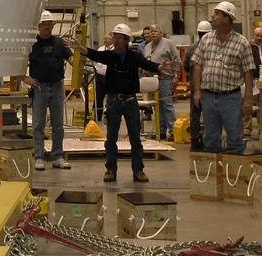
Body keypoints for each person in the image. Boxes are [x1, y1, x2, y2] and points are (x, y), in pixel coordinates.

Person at [66, 24, 160, 182]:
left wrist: (160, 67)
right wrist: (80, 48)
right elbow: (94, 54)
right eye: (114, 36)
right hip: (114, 102)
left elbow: (147, 65)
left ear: (126, 40)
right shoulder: (109, 56)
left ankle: (138, 170)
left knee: (135, 137)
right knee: (111, 138)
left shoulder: (134, 56)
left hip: (130, 102)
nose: (115, 40)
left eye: (118, 37)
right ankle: (110, 169)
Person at [190, 2, 255, 154]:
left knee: (234, 136)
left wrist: (248, 99)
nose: (213, 16)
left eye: (217, 14)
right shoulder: (206, 40)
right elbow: (198, 65)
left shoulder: (242, 42)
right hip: (208, 96)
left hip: (230, 97)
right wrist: (197, 92)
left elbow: (248, 72)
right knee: (210, 137)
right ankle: (214, 173)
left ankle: (234, 171)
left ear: (227, 18)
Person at [24, 11, 72, 172]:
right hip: (39, 87)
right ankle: (39, 156)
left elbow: (72, 60)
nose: (47, 27)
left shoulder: (60, 43)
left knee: (58, 125)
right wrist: (25, 78)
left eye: (49, 24)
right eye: (44, 25)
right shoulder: (31, 44)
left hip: (57, 86)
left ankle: (57, 156)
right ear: (38, 26)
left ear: (53, 25)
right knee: (38, 124)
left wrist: (80, 55)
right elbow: (19, 62)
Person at [143, 25, 180, 140]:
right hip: (152, 80)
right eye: (151, 32)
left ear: (161, 32)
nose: (153, 33)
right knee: (156, 106)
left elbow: (177, 60)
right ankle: (161, 131)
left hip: (165, 78)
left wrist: (176, 75)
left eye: (156, 31)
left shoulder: (168, 43)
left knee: (167, 105)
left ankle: (173, 131)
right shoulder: (147, 46)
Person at [183, 20, 211, 149]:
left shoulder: (192, 49)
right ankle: (208, 139)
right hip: (209, 86)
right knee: (209, 113)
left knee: (195, 113)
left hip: (196, 86)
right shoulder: (213, 49)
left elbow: (186, 67)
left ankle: (194, 140)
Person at [92, 33, 114, 120]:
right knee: (98, 96)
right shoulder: (100, 49)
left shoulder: (115, 49)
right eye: (104, 39)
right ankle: (97, 116)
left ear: (112, 40)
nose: (105, 41)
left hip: (110, 77)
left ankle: (110, 115)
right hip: (99, 76)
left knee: (111, 97)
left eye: (107, 39)